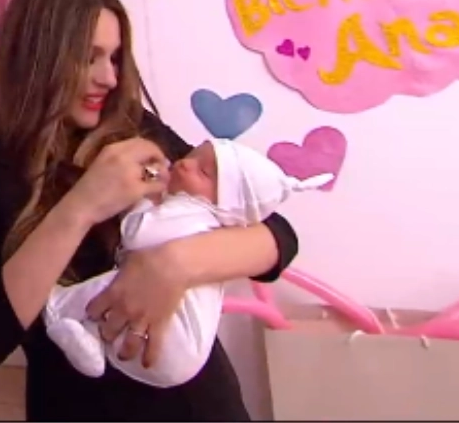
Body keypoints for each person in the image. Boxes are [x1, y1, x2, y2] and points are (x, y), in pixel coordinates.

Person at [0, 0, 300, 421]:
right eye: (88, 58)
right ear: (36, 58)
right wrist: (82, 207)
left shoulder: (136, 129)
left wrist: (172, 265)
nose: (109, 77)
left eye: (114, 57)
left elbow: (278, 236)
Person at [44, 138, 332, 385]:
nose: (183, 163)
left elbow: (137, 234)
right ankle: (90, 340)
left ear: (227, 202)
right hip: (175, 359)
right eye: (191, 155)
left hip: (170, 352)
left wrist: (146, 203)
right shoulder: (205, 210)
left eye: (203, 171)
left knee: (119, 283)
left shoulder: (191, 213)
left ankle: (59, 307)